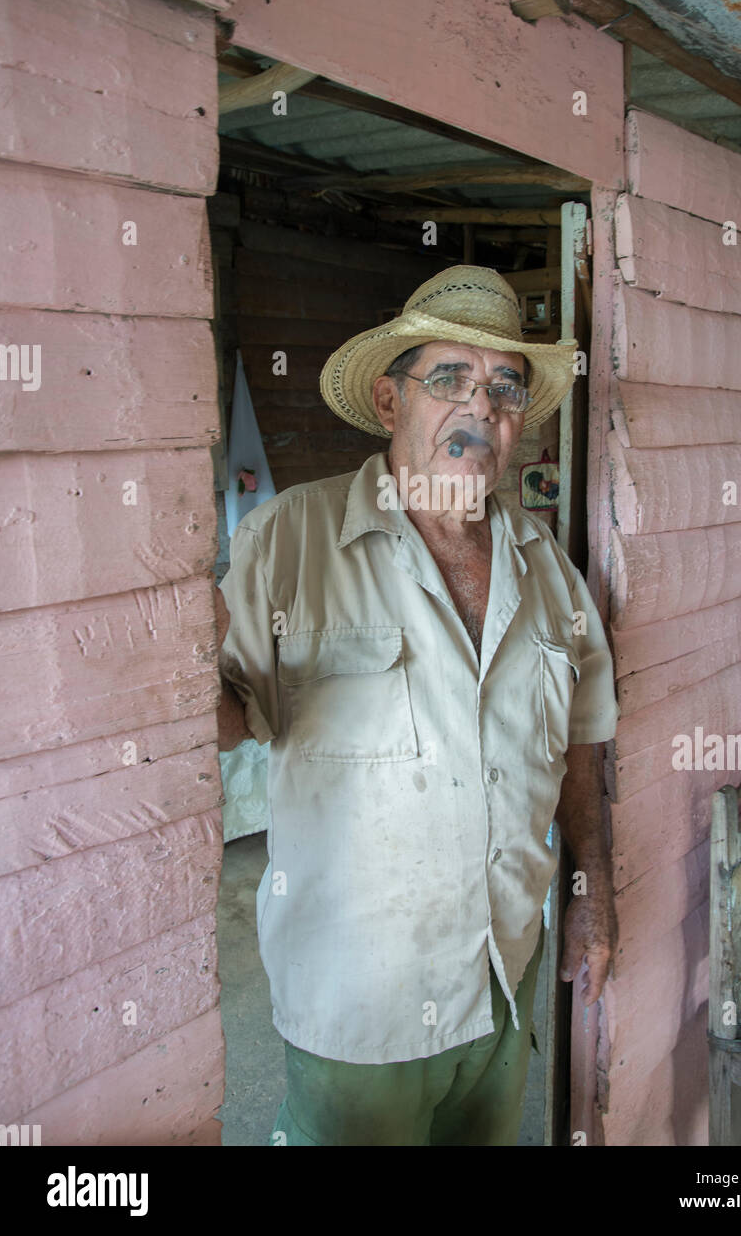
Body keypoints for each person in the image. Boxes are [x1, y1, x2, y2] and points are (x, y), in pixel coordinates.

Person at [215, 264, 620, 1146]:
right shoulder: (290, 539)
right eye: (449, 380)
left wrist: (588, 890)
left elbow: (580, 740)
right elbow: (218, 714)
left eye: (504, 388)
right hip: (363, 1008)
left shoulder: (545, 568)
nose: (480, 409)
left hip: (502, 977)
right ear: (389, 403)